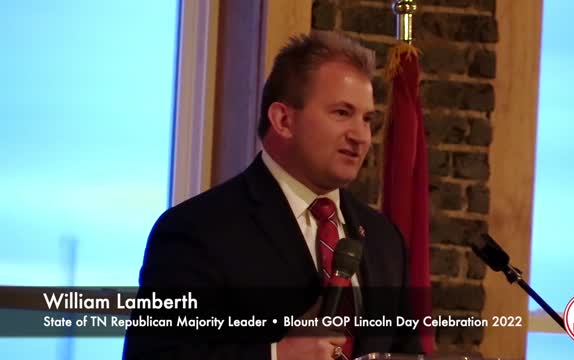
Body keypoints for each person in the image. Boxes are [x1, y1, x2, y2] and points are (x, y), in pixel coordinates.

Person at [123, 31, 423, 360]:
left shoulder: (383, 239)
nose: (360, 136)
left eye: (367, 119)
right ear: (283, 120)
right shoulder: (197, 230)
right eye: (341, 113)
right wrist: (276, 355)